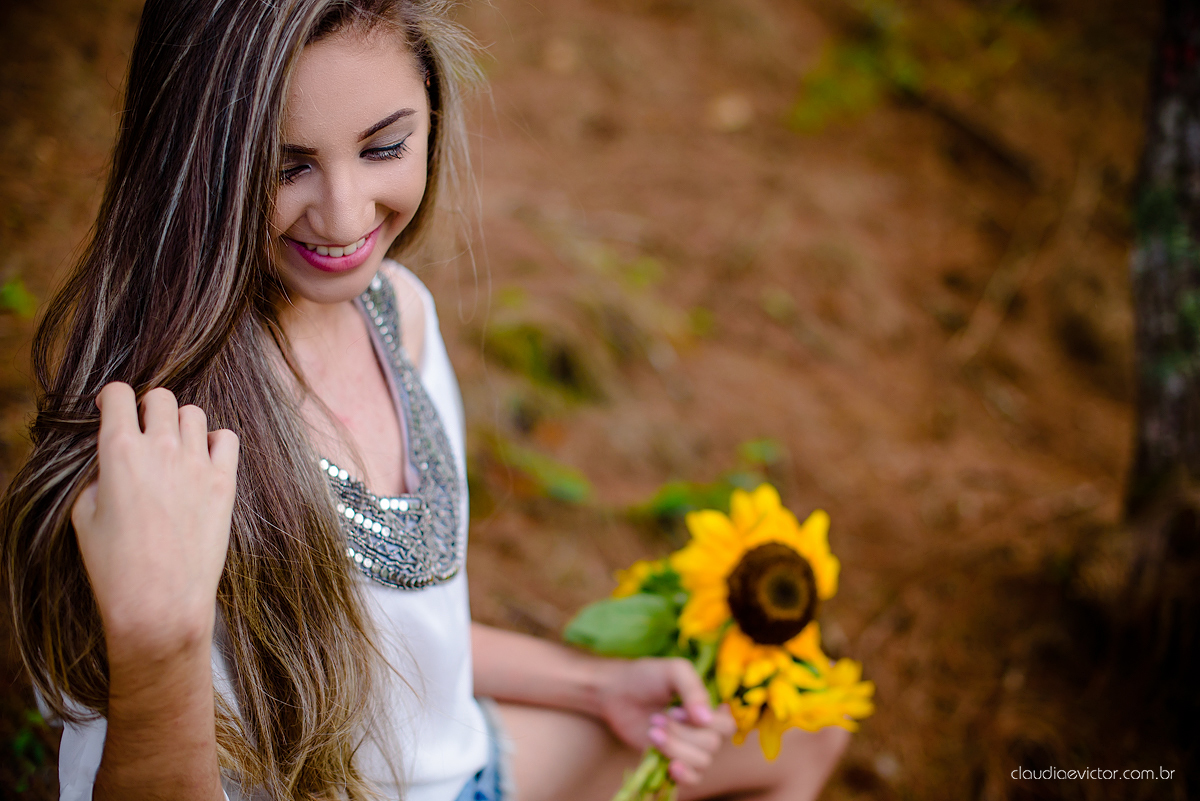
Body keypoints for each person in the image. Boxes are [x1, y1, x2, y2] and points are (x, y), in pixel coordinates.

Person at [0, 1, 850, 800]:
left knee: (809, 735)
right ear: (190, 163)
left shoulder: (394, 310)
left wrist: (597, 684)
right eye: (284, 165)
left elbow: (404, 649)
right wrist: (160, 645)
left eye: (382, 148)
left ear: (432, 118)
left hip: (467, 763)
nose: (343, 216)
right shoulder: (155, 434)